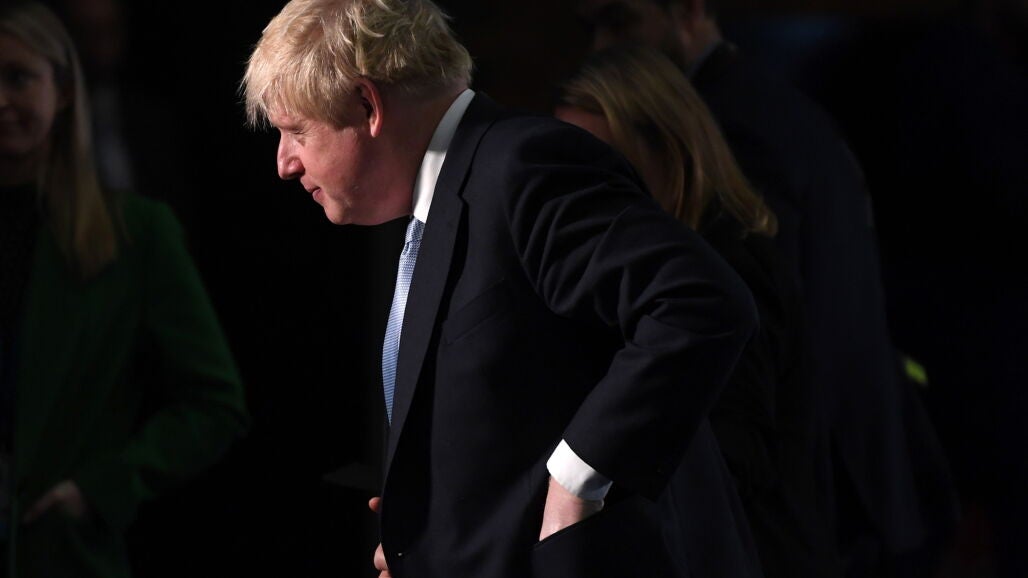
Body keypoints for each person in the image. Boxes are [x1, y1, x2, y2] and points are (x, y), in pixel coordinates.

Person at [242, 1, 757, 576]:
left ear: (368, 105)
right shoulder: (443, 199)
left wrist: (574, 485)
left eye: (296, 131)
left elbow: (700, 302)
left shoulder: (525, 167)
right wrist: (427, 538)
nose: (284, 163)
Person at [577, 0, 942, 574]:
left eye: (619, 22)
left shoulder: (729, 134)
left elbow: (758, 343)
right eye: (592, 27)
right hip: (837, 474)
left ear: (690, 10)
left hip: (809, 492)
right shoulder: (774, 105)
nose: (601, 46)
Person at [0, 3, 249, 576]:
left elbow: (215, 405)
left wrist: (100, 487)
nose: (1, 100)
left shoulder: (135, 233)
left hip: (61, 554)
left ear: (63, 90)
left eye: (18, 77)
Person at [556, 45, 818, 578]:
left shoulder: (730, 271)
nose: (584, 197)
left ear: (670, 152)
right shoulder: (644, 267)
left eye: (607, 168)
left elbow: (736, 454)